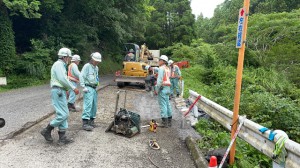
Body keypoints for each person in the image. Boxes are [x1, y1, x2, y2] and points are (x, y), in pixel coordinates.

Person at [41, 47, 79, 145]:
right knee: (64, 114)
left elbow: (61, 79)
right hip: (58, 90)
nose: (69, 59)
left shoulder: (61, 65)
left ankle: (62, 138)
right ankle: (47, 129)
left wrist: (66, 90)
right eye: (69, 57)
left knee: (63, 114)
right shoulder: (59, 64)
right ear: (64, 57)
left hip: (60, 90)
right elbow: (62, 79)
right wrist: (72, 88)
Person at [79, 52, 101, 131]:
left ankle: (91, 121)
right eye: (96, 61)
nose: (97, 62)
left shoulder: (96, 68)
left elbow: (96, 77)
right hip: (88, 87)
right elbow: (81, 76)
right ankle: (85, 123)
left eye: (98, 61)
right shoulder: (87, 66)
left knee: (94, 105)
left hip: (94, 88)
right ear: (92, 59)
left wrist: (97, 85)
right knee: (88, 105)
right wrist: (83, 86)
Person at [154, 55, 173, 127]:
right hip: (168, 88)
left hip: (162, 88)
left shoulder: (161, 68)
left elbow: (159, 82)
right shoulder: (167, 68)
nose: (158, 61)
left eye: (159, 60)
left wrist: (156, 90)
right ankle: (169, 121)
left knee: (163, 105)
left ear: (163, 61)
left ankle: (164, 123)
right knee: (167, 104)